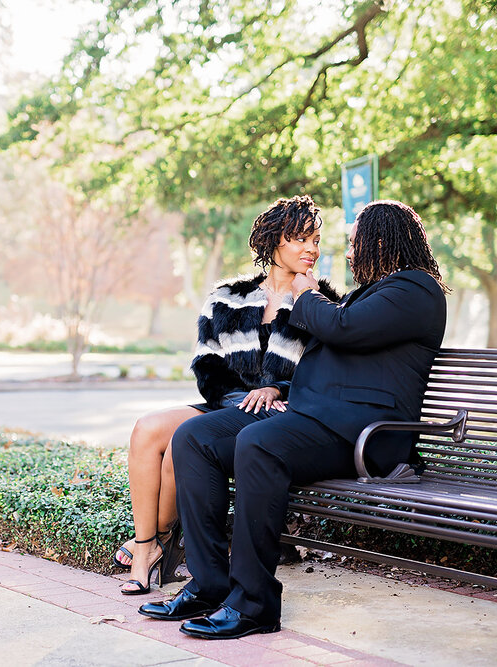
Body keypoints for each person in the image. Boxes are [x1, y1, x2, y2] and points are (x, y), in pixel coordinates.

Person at [137, 199, 449, 638]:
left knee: (259, 445)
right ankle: (210, 586)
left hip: (362, 434)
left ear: (380, 241)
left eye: (354, 241)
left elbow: (343, 328)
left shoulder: (415, 291)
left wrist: (304, 294)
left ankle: (254, 605)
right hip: (317, 419)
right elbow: (336, 333)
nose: (346, 252)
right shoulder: (378, 291)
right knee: (195, 437)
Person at [116, 195, 340, 595]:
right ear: (274, 242)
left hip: (283, 417)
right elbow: (207, 365)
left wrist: (276, 389)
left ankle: (154, 546)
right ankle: (149, 544)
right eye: (300, 239)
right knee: (148, 429)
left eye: (316, 240)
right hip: (228, 404)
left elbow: (325, 373)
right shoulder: (227, 298)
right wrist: (238, 401)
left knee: (182, 448)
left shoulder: (323, 303)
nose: (312, 249)